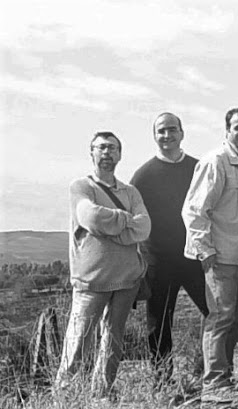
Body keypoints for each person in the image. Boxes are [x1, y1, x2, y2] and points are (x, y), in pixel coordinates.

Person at [58, 131, 151, 399]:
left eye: (112, 148)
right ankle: (65, 396)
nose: (106, 153)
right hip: (91, 280)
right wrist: (125, 222)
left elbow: (144, 227)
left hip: (127, 280)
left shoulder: (130, 191)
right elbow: (91, 217)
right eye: (101, 148)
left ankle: (101, 393)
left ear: (120, 154)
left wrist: (114, 228)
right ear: (92, 153)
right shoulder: (81, 187)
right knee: (79, 340)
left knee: (113, 340)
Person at [181, 107, 238, 402]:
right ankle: (213, 384)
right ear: (227, 129)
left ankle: (224, 379)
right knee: (220, 317)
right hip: (220, 255)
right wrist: (205, 251)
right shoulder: (215, 161)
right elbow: (193, 210)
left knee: (235, 319)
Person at [130, 113, 208, 384]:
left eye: (172, 130)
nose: (167, 135)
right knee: (158, 324)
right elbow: (133, 219)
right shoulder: (142, 176)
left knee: (216, 313)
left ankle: (212, 370)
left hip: (194, 256)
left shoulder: (199, 168)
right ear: (155, 136)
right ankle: (162, 380)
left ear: (182, 133)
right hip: (158, 260)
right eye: (161, 131)